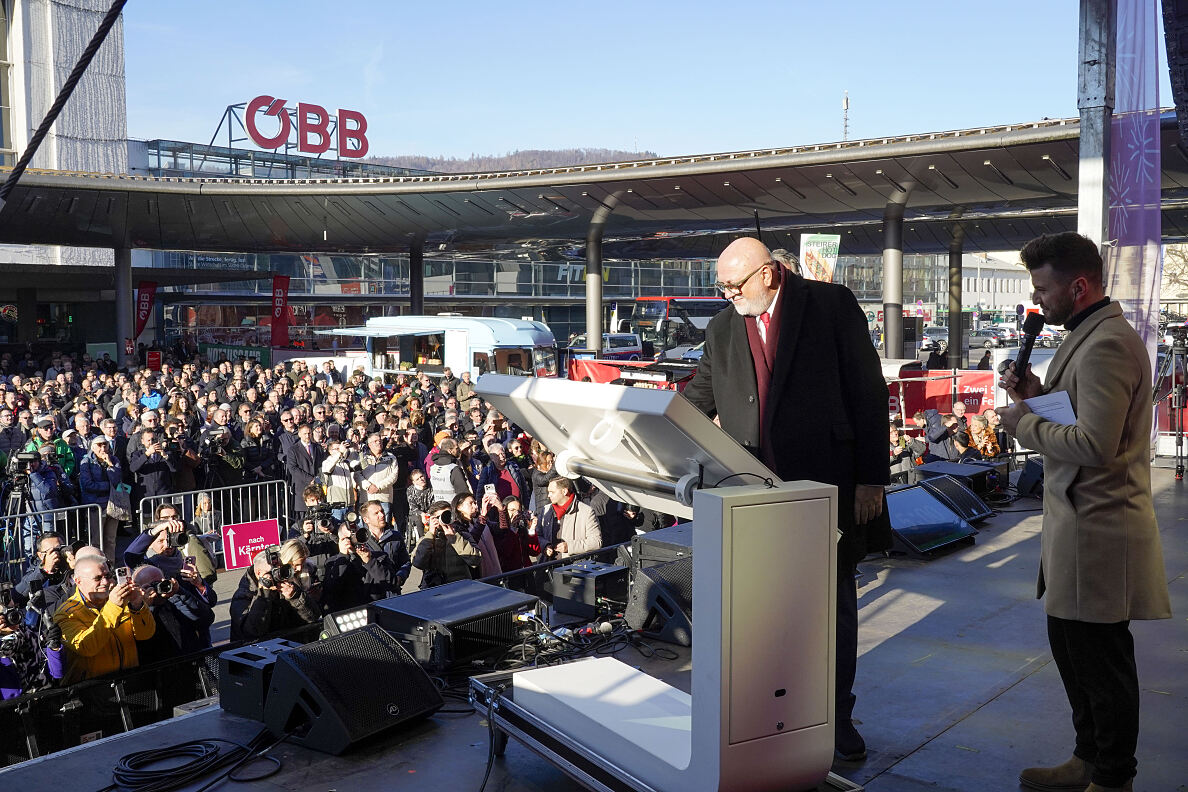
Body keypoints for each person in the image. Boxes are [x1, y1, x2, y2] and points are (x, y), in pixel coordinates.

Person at [681, 237, 890, 762]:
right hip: (756, 500)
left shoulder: (830, 305)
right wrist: (646, 422)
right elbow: (697, 398)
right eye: (721, 286)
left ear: (769, 274)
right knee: (767, 612)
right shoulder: (722, 328)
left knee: (832, 611)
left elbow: (868, 392)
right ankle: (776, 716)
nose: (728, 294)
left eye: (735, 284)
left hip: (829, 488)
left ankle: (836, 718)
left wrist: (871, 478)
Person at [996, 233, 1171, 792]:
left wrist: (1023, 423)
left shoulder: (1107, 344)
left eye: (1042, 288)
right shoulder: (1090, 335)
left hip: (1099, 530)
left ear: (1078, 285)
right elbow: (1082, 413)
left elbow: (1096, 444)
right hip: (1075, 529)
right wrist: (1038, 391)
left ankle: (1113, 775)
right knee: (1073, 654)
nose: (1037, 300)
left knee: (1102, 663)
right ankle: (1086, 758)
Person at [53, 556, 156, 683]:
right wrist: (113, 607)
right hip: (93, 689)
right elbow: (87, 647)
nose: (105, 582)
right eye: (97, 578)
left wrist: (137, 605)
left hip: (128, 682)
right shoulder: (65, 613)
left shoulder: (120, 599)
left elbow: (145, 634)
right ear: (78, 581)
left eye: (107, 576)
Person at [410, 501, 480, 589]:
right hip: (434, 589)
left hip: (460, 587)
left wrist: (455, 539)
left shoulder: (463, 536)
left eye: (448, 515)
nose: (445, 519)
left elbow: (476, 560)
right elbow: (418, 563)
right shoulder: (426, 539)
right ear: (433, 519)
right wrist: (431, 533)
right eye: (440, 517)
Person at [538, 476, 602, 560]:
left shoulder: (586, 512)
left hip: (574, 567)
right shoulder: (545, 510)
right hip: (548, 566)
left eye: (552, 492)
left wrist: (570, 546)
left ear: (564, 491)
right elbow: (538, 535)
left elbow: (596, 542)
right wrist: (545, 545)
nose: (548, 495)